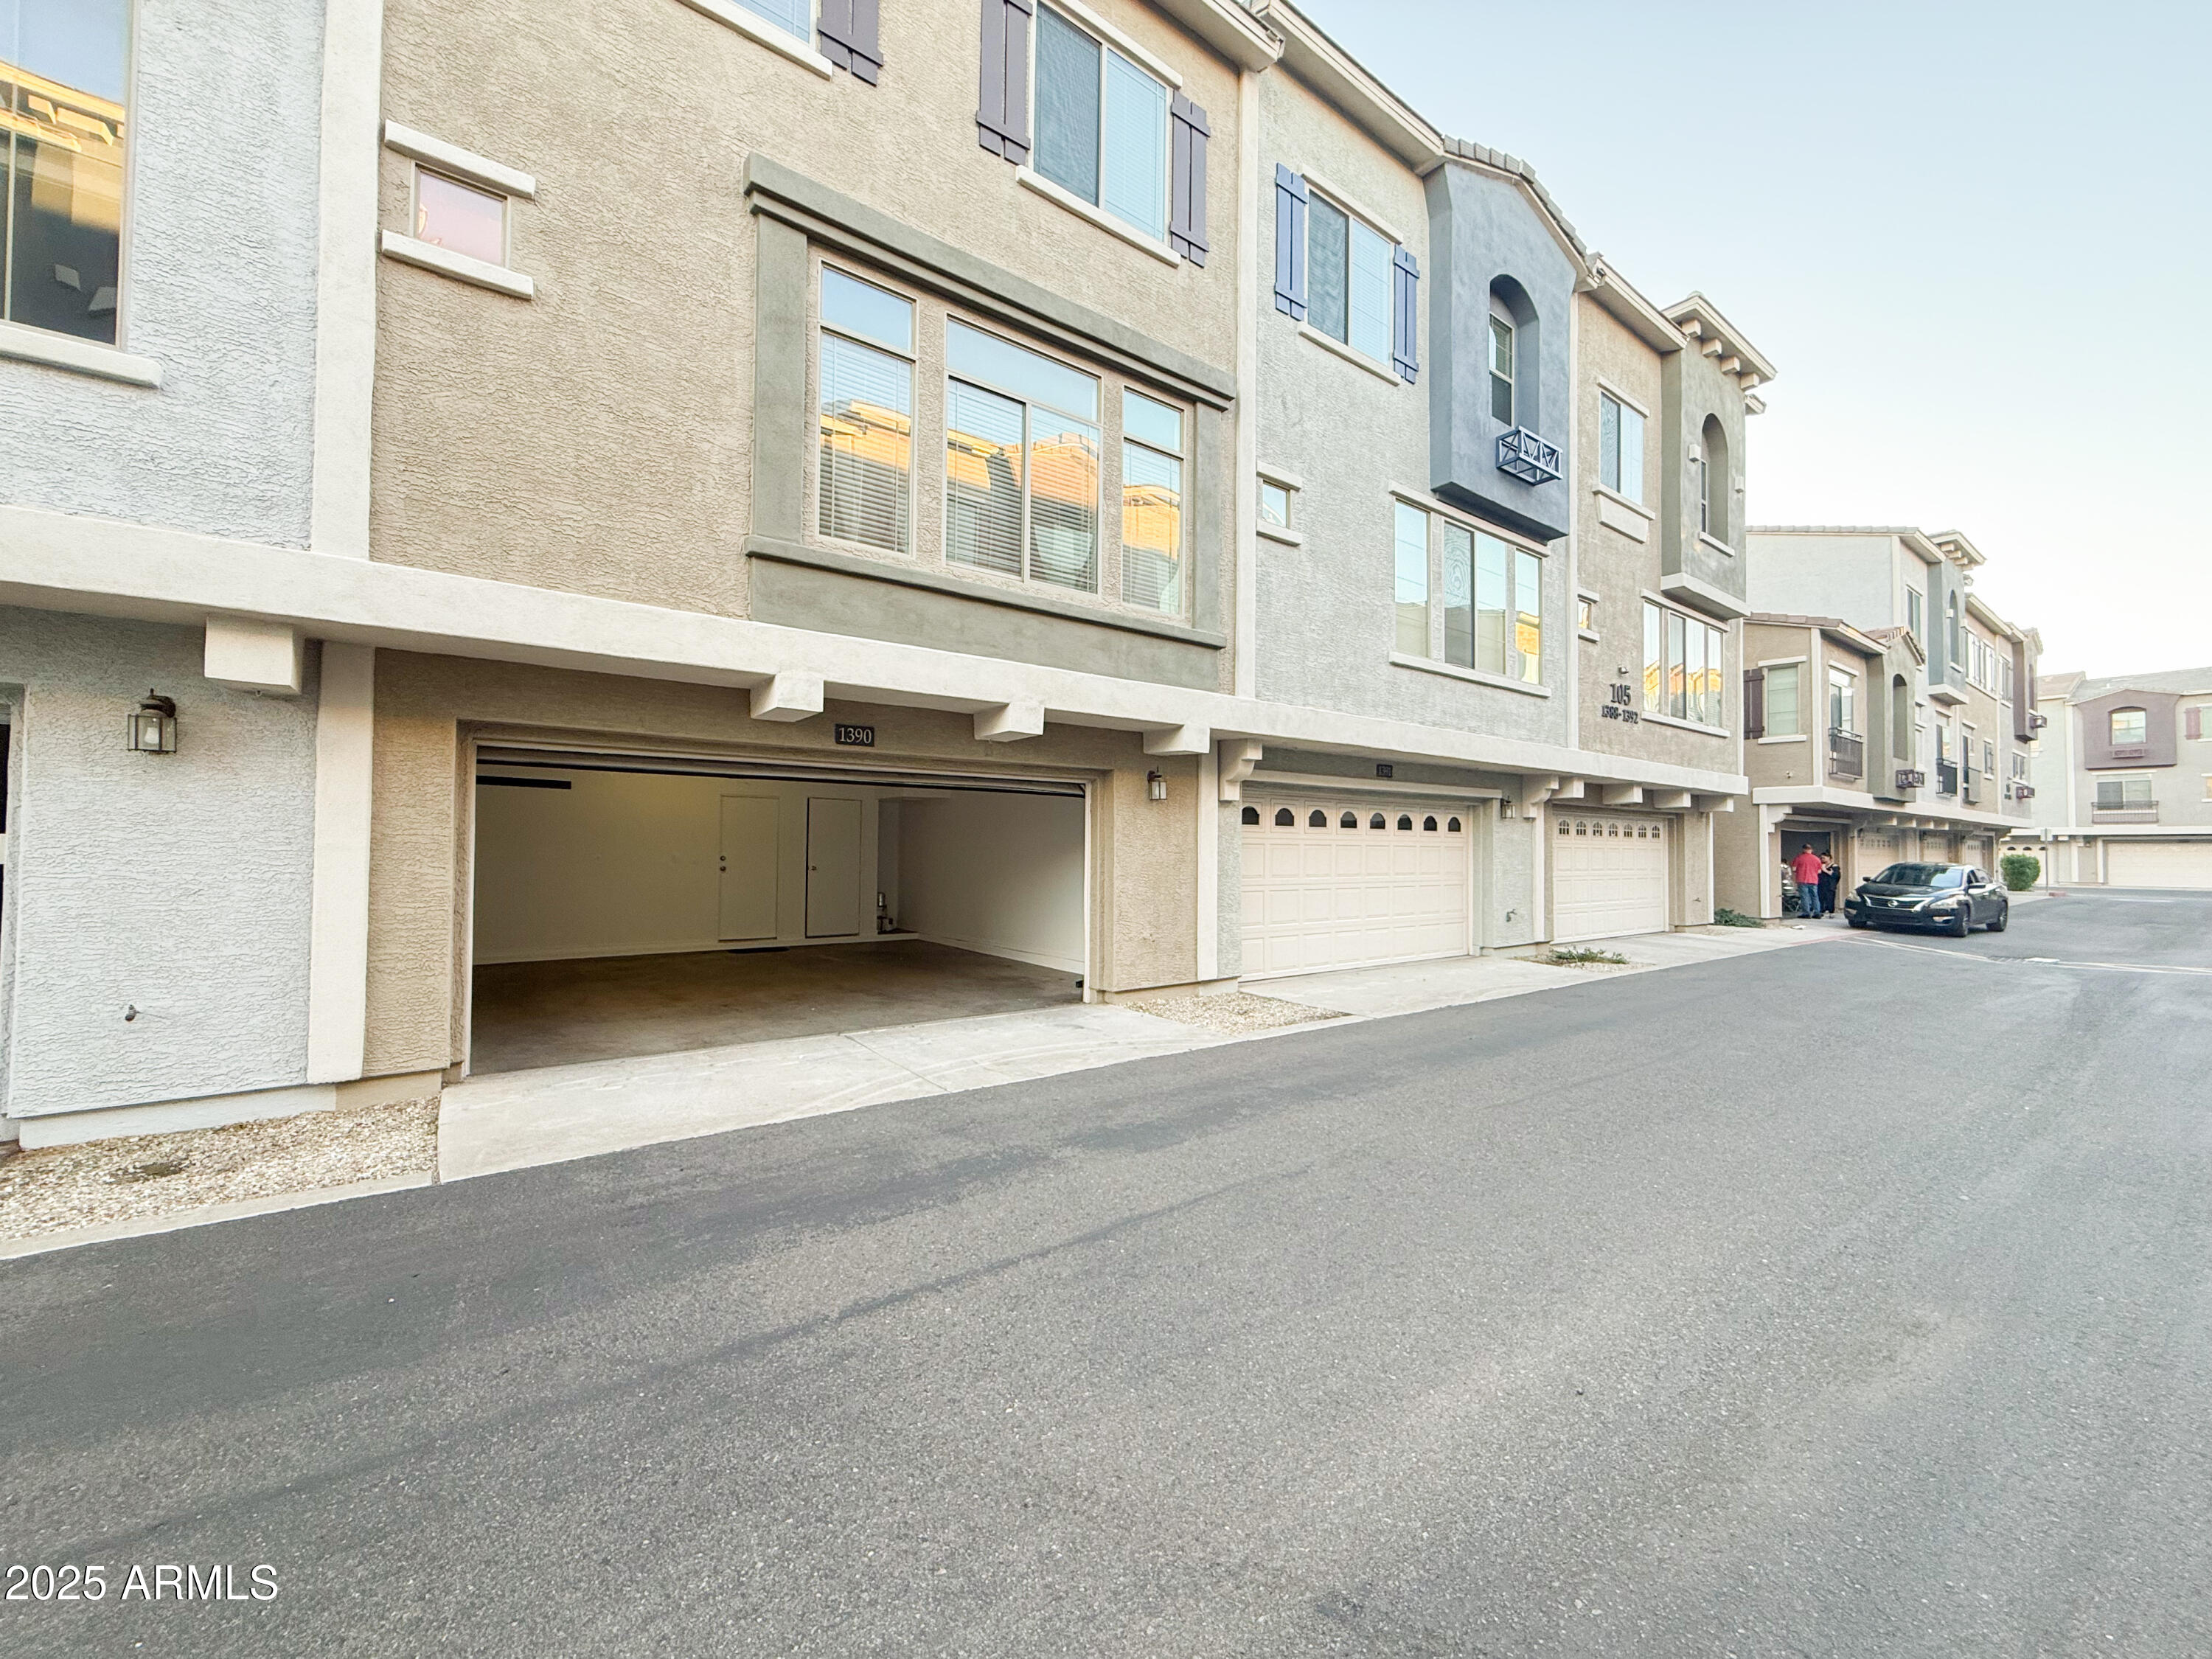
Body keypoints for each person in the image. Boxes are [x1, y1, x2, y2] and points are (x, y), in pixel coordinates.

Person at [1790, 844, 1827, 919]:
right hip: (1813, 880)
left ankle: (1806, 913)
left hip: (1802, 879)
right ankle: (1817, 913)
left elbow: (1794, 869)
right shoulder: (1817, 859)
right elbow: (1819, 872)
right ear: (1811, 850)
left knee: (1805, 897)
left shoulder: (1799, 858)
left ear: (1804, 849)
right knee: (1815, 896)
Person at [1818, 855, 1840, 919]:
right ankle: (1822, 911)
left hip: (1830, 885)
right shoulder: (1821, 866)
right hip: (1821, 885)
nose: (1822, 859)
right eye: (1821, 858)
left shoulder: (1834, 866)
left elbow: (1836, 876)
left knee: (1830, 899)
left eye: (1824, 858)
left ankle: (1831, 912)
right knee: (1821, 898)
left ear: (1829, 858)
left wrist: (1825, 870)